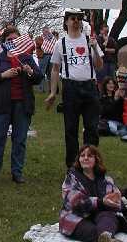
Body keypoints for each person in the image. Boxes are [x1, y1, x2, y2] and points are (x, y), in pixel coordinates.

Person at [0, 27, 43, 184]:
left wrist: (30, 72)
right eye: (9, 40)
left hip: (22, 104)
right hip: (2, 104)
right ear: (4, 42)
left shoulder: (27, 58)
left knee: (20, 139)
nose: (12, 42)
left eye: (15, 39)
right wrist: (3, 75)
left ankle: (17, 173)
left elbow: (39, 77)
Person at [46, 9, 104, 168]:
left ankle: (91, 164)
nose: (76, 21)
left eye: (79, 18)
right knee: (70, 129)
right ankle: (72, 166)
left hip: (90, 86)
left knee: (91, 128)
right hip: (70, 88)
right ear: (66, 22)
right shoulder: (61, 43)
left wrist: (94, 50)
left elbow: (99, 66)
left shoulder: (90, 40)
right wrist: (52, 92)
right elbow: (55, 69)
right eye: (72, 18)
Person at [59, 145, 122, 242]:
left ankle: (106, 237)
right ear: (79, 159)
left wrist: (114, 201)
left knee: (108, 218)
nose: (85, 158)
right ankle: (105, 239)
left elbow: (115, 203)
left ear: (96, 159)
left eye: (90, 156)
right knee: (93, 232)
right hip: (76, 216)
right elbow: (75, 202)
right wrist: (101, 202)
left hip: (99, 215)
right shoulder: (72, 178)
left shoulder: (106, 179)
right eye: (82, 155)